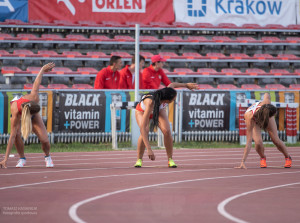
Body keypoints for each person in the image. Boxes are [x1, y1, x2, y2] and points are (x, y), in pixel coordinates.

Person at [0, 62, 55, 168]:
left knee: (45, 140)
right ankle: (22, 158)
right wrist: (5, 159)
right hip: (20, 114)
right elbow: (11, 137)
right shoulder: (15, 110)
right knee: (15, 134)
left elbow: (36, 84)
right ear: (29, 113)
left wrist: (42, 70)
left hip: (30, 113)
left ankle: (47, 157)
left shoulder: (34, 98)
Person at [134, 83, 198, 168]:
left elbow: (172, 84)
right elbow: (142, 128)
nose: (175, 99)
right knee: (145, 131)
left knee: (167, 131)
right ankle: (139, 160)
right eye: (174, 99)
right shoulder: (150, 103)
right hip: (142, 111)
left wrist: (186, 85)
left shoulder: (168, 91)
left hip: (159, 111)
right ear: (167, 100)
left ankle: (170, 159)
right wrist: (149, 149)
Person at [236, 93, 292, 169]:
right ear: (267, 117)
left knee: (275, 140)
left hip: (265, 113)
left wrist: (267, 95)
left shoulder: (267, 104)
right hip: (255, 120)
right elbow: (248, 142)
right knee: (258, 143)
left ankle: (287, 157)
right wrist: (243, 161)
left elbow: (267, 94)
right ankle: (262, 157)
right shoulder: (249, 117)